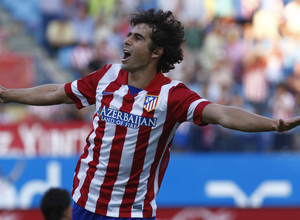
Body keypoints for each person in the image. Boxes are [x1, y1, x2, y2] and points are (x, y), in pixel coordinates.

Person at [1, 8, 300, 220]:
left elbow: (221, 114)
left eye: (138, 38)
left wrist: (272, 124)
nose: (127, 41)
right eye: (129, 35)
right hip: (83, 202)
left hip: (131, 212)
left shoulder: (172, 95)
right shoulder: (107, 76)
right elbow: (57, 93)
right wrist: (6, 94)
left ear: (157, 52)